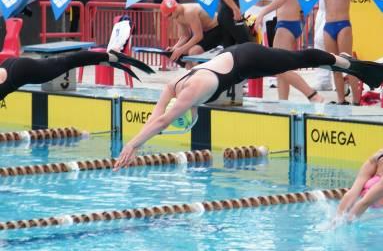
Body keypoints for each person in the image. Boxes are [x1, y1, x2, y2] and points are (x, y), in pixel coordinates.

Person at [113, 42, 383, 170]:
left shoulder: (190, 92)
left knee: (299, 59)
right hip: (239, 59)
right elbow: (156, 118)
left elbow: (161, 122)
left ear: (187, 109)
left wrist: (132, 145)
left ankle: (352, 65)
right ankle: (347, 64)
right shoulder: (173, 86)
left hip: (249, 59)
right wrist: (137, 142)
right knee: (298, 59)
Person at [254, 0, 324, 103]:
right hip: (291, 22)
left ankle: (312, 95)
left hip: (286, 24)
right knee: (282, 69)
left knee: (278, 66)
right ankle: (283, 103)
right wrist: (263, 3)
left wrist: (262, 13)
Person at [0, 50, 154, 100]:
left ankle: (109, 57)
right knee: (67, 62)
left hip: (21, 72)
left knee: (68, 62)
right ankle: (106, 59)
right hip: (10, 65)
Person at [323, 0, 359, 105]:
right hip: (328, 26)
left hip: (343, 25)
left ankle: (356, 100)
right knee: (335, 65)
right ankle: (341, 99)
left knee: (348, 64)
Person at [160, 0, 223, 68]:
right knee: (184, 55)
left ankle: (202, 74)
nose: (170, 18)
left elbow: (198, 36)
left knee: (193, 52)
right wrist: (175, 48)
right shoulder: (176, 16)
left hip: (217, 28)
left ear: (176, 7)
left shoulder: (189, 12)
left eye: (170, 15)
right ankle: (195, 74)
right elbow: (185, 35)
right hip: (205, 31)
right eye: (168, 16)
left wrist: (180, 49)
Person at [336, 149, 383, 222]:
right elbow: (364, 203)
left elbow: (353, 193)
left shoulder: (378, 156)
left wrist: (337, 221)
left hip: (370, 201)